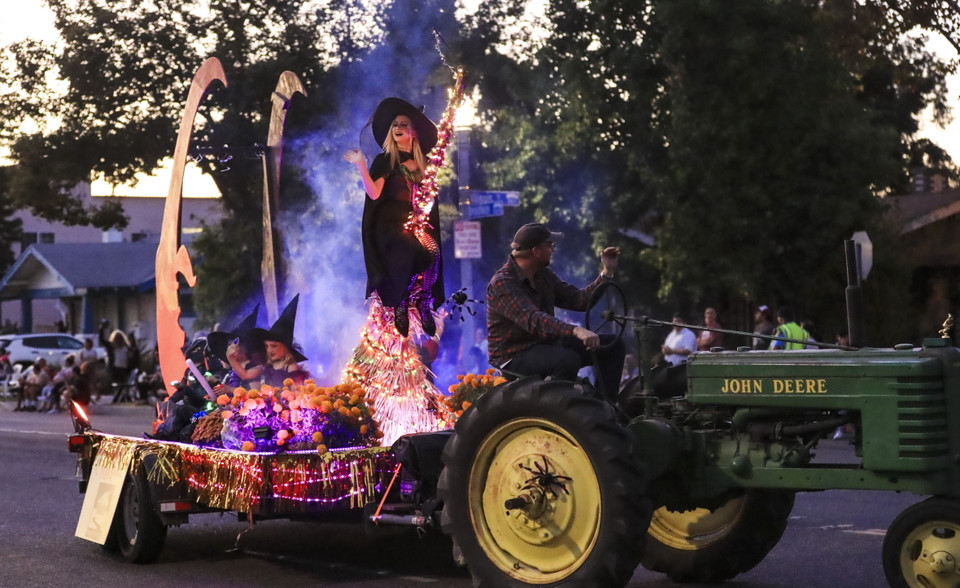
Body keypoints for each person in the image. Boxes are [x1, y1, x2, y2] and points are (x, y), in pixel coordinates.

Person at [486, 222, 626, 401]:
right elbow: (533, 319)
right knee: (567, 360)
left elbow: (579, 300)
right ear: (535, 251)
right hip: (514, 355)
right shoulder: (503, 282)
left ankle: (604, 406)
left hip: (544, 345)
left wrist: (606, 273)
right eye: (549, 245)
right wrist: (575, 330)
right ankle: (552, 411)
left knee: (613, 345)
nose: (553, 249)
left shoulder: (543, 275)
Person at [344, 97, 443, 338]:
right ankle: (401, 301)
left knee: (433, 255)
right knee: (412, 251)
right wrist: (360, 166)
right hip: (391, 227)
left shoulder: (426, 165)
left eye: (404, 124)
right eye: (395, 124)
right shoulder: (386, 160)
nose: (398, 128)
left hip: (417, 223)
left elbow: (429, 199)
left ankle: (423, 302)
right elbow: (375, 193)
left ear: (414, 132)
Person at [207, 305, 267, 392]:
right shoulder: (233, 370)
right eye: (229, 345)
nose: (233, 347)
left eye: (235, 343)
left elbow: (256, 393)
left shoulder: (251, 365)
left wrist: (230, 389)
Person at [261, 295, 310, 387]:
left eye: (274, 346)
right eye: (267, 346)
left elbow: (297, 392)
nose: (269, 350)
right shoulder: (268, 367)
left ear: (285, 347)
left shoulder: (291, 367)